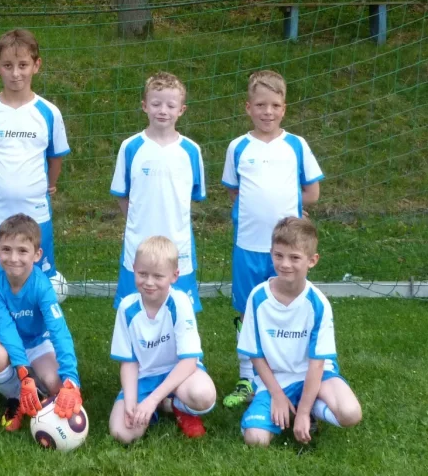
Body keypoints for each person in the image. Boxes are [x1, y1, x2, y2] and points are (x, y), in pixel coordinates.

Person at [221, 69, 324, 411]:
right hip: (249, 247)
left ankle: (290, 373)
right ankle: (246, 378)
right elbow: (235, 192)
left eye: (275, 105)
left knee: (289, 306)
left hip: (287, 248)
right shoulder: (238, 147)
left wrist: (291, 206)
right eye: (261, 105)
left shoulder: (296, 145)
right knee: (248, 309)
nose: (268, 112)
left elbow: (312, 192)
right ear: (248, 107)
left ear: (284, 108)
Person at [237, 217, 362, 446]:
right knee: (255, 439)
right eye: (278, 255)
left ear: (312, 260)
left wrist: (303, 412)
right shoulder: (258, 298)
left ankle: (308, 409)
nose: (285, 264)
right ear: (271, 253)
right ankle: (284, 405)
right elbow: (255, 354)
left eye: (294, 257)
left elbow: (317, 363)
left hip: (316, 376)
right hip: (276, 379)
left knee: (350, 413)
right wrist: (277, 395)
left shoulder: (318, 303)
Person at [0, 29, 70, 281]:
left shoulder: (49, 112)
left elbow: (55, 157)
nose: (16, 73)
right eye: (8, 65)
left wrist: (49, 184)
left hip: (35, 210)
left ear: (36, 65)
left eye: (23, 65)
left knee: (36, 278)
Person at [110, 72, 206, 309]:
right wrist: (137, 222)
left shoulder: (191, 151)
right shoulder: (130, 147)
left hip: (178, 243)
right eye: (156, 104)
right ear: (144, 106)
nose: (163, 111)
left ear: (181, 110)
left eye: (171, 105)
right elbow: (122, 195)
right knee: (133, 308)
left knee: (179, 309)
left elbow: (193, 196)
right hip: (138, 242)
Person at [0, 214, 83, 432]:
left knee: (56, 384)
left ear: (37, 255)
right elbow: (5, 328)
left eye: (22, 251)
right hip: (6, 342)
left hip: (38, 342)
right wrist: (24, 373)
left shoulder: (42, 286)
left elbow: (58, 330)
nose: (13, 258)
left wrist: (71, 379)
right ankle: (17, 398)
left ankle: (40, 397)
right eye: (6, 249)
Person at [110, 237, 217, 443]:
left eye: (158, 276)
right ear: (134, 269)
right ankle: (154, 408)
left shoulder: (180, 302)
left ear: (174, 276)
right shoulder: (126, 308)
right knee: (122, 433)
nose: (149, 282)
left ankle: (176, 405)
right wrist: (131, 400)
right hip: (144, 377)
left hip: (179, 374)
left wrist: (152, 400)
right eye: (142, 274)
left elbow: (189, 361)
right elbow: (129, 362)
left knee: (203, 395)